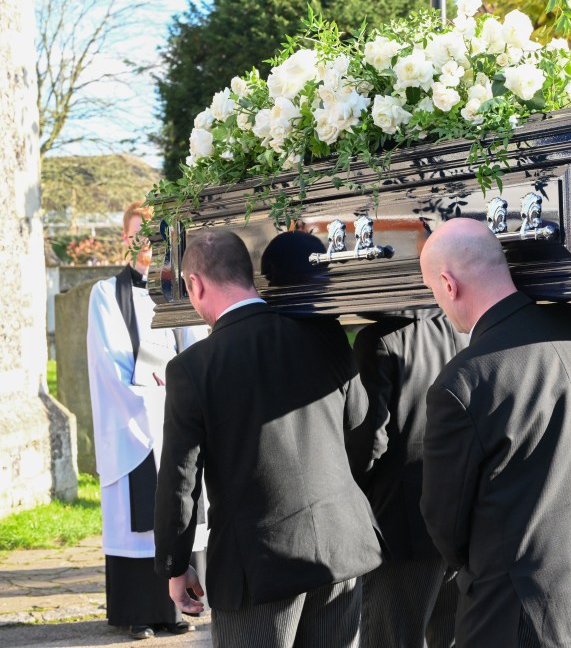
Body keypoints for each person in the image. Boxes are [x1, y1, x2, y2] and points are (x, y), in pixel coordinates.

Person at [418, 217, 571, 647]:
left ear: (448, 285)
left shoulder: (462, 382)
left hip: (521, 608)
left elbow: (444, 521)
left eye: (433, 291)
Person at [153, 229, 384, 647]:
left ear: (195, 284)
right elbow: (359, 417)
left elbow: (179, 481)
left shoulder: (191, 369)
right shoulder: (324, 334)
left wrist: (175, 566)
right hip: (340, 543)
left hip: (259, 562)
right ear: (248, 275)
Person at [86, 201, 207, 640]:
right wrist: (151, 395)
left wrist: (187, 393)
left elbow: (195, 346)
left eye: (154, 236)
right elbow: (109, 360)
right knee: (138, 517)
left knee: (182, 504)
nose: (146, 246)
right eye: (138, 236)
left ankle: (179, 608)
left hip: (177, 413)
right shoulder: (106, 294)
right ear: (125, 239)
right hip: (134, 419)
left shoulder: (180, 290)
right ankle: (139, 610)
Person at [350, 308, 467, 648]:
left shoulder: (379, 339)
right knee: (450, 635)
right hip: (453, 509)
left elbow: (371, 439)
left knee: (392, 637)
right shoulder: (457, 327)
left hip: (399, 521)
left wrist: (356, 489)